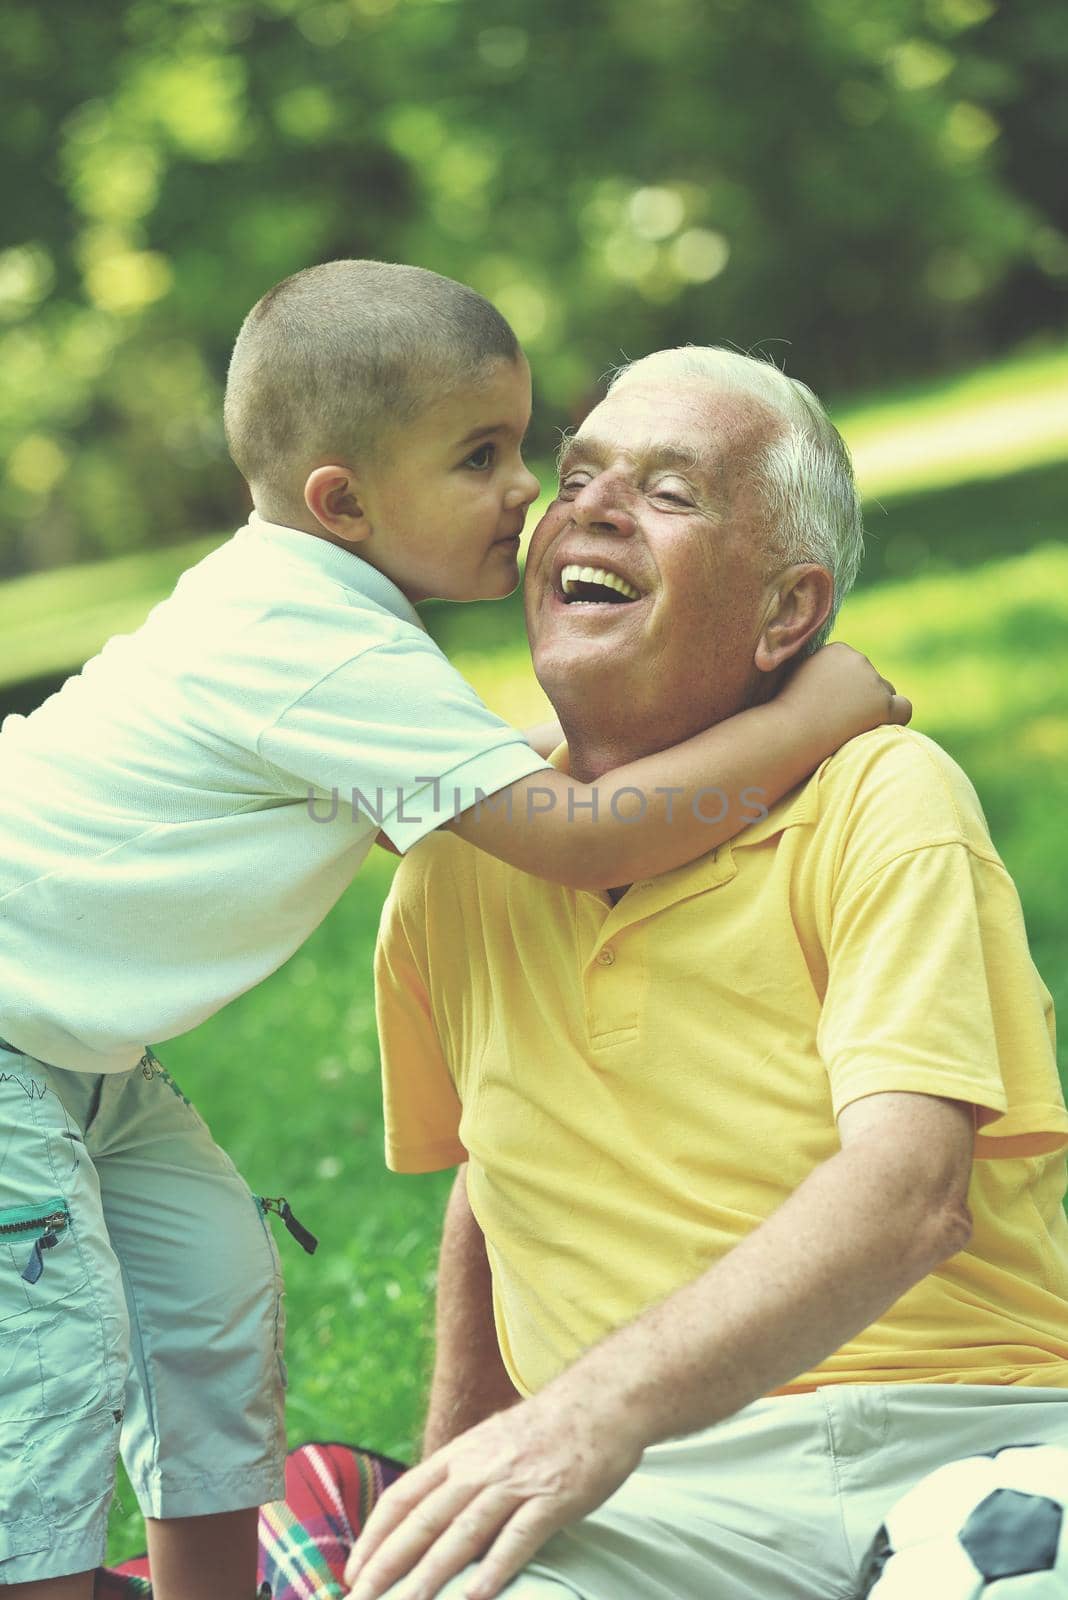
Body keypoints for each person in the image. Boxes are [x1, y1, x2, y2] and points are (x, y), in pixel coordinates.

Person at [0, 264, 904, 1599]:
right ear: (344, 500)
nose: (526, 490)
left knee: (212, 1282)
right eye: (479, 459)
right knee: (50, 1350)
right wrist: (819, 715)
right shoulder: (315, 643)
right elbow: (581, 830)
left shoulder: (317, 622)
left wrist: (694, 735)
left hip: (75, 1054)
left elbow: (523, 782)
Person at [352, 346, 1068, 1600]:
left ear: (788, 613)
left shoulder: (881, 795)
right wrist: (454, 1488)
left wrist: (582, 1417)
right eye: (576, 475)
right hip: (643, 1497)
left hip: (956, 1434)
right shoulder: (458, 868)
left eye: (672, 491)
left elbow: (911, 1194)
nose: (593, 506)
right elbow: (498, 1175)